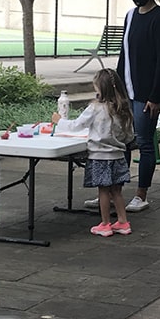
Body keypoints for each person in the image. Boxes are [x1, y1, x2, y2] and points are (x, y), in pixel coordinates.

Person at [115, 0, 160, 212]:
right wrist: (115, 89)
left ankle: (141, 194)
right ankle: (113, 191)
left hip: (146, 94)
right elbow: (124, 54)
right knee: (121, 142)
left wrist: (156, 96)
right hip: (126, 90)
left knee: (144, 141)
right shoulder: (130, 16)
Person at [53, 69, 134, 237]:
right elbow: (129, 135)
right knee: (117, 191)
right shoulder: (123, 109)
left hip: (99, 157)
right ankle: (123, 222)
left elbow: (76, 125)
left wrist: (59, 121)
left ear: (100, 89)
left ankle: (105, 224)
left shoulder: (95, 108)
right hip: (118, 156)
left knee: (103, 191)